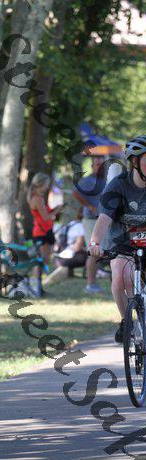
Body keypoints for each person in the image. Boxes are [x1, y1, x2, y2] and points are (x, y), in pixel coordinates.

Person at [89, 135, 146, 343]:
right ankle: (126, 321)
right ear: (135, 162)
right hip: (123, 242)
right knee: (122, 277)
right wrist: (95, 242)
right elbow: (104, 219)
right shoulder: (118, 185)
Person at [73, 154, 106, 294]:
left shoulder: (107, 180)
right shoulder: (88, 180)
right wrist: (90, 206)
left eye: (102, 164)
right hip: (91, 220)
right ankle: (90, 284)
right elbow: (75, 194)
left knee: (103, 252)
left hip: (104, 220)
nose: (100, 167)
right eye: (97, 164)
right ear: (92, 166)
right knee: (93, 252)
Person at [27, 172, 63, 294]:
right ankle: (36, 287)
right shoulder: (37, 199)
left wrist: (55, 209)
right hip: (41, 232)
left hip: (44, 231)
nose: (47, 187)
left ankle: (38, 287)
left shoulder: (39, 197)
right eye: (46, 184)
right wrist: (57, 210)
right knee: (41, 261)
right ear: (40, 184)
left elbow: (46, 214)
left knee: (44, 260)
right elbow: (46, 217)